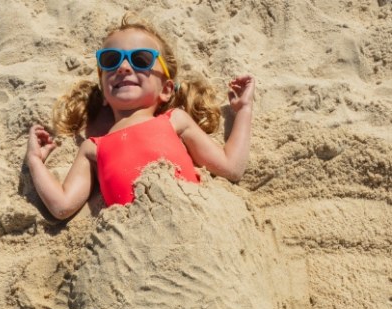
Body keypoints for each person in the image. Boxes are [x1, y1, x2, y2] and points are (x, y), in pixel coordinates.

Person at [26, 13, 254, 218]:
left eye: (141, 59)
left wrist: (244, 110)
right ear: (104, 92)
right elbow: (62, 206)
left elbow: (231, 167)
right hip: (134, 248)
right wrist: (35, 163)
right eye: (111, 60)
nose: (123, 66)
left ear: (165, 90)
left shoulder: (175, 120)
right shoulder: (93, 148)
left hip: (192, 225)